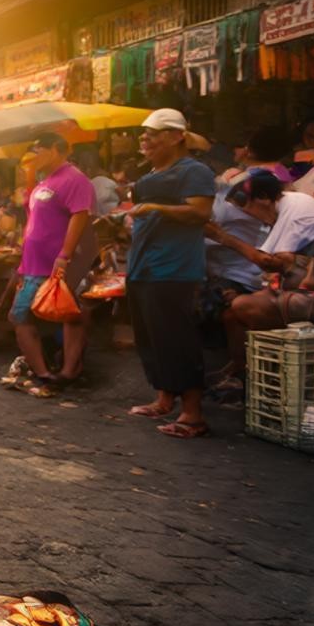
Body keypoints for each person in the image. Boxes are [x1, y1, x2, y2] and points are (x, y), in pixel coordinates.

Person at [123, 109, 214, 439]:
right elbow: (144, 220)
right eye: (143, 133)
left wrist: (156, 208)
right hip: (141, 265)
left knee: (177, 339)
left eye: (154, 133)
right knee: (151, 338)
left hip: (173, 268)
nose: (145, 139)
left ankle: (192, 415)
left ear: (177, 136)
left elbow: (200, 213)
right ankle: (163, 398)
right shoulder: (147, 177)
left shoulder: (194, 171)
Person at [214, 170, 314, 381]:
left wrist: (221, 236)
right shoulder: (286, 206)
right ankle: (241, 373)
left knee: (242, 306)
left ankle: (272, 374)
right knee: (231, 315)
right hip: (301, 286)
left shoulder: (294, 208)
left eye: (246, 205)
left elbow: (269, 262)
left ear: (264, 198)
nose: (247, 213)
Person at [7, 135, 95, 393]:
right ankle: (43, 371)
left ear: (58, 150)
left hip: (59, 263)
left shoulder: (74, 179)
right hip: (33, 264)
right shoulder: (43, 182)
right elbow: (34, 222)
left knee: (70, 315)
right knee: (20, 315)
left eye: (40, 150)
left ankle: (68, 371)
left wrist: (64, 256)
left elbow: (79, 217)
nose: (35, 155)